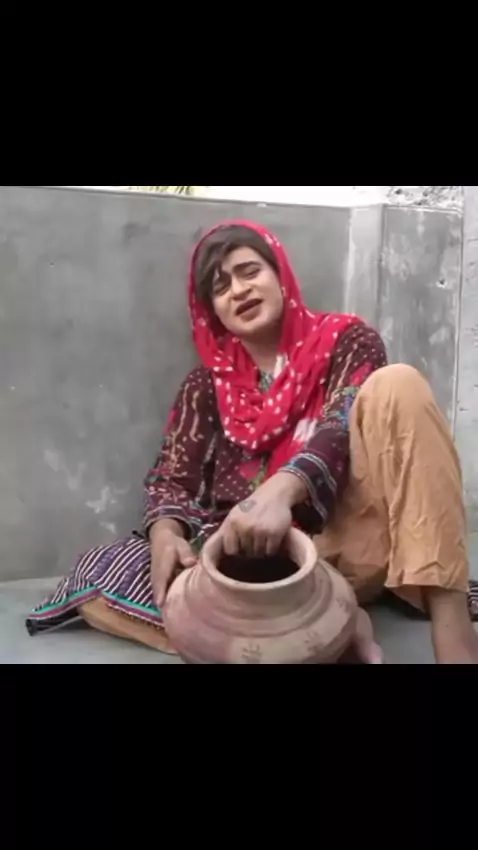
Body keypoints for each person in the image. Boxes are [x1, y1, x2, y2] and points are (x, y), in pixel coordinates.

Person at [26, 219, 478, 664]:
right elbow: (171, 478)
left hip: (350, 533)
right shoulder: (205, 387)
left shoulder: (346, 340)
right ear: (212, 310)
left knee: (398, 384)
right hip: (261, 562)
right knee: (101, 571)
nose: (239, 290)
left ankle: (452, 635)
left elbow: (339, 424)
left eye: (249, 271)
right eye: (221, 287)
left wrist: (281, 490)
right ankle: (333, 621)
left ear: (280, 275)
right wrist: (166, 532)